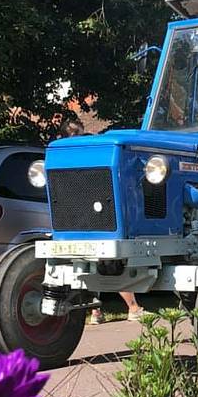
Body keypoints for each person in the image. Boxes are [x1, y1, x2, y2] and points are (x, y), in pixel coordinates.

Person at [57, 118, 145, 323]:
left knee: (90, 265)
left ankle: (96, 312)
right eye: (76, 133)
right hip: (94, 216)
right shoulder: (87, 152)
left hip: (74, 219)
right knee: (110, 265)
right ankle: (132, 307)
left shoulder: (62, 154)